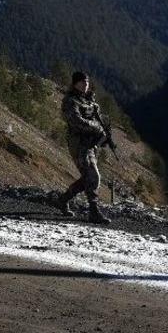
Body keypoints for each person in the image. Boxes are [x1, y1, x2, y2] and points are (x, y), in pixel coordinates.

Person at [55, 71, 111, 225]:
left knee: (88, 177)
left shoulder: (91, 102)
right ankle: (93, 211)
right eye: (82, 82)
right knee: (93, 176)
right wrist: (97, 128)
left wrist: (103, 136)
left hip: (91, 145)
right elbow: (75, 121)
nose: (85, 85)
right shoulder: (70, 101)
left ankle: (63, 199)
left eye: (86, 82)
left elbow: (98, 122)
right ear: (75, 83)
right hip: (78, 144)